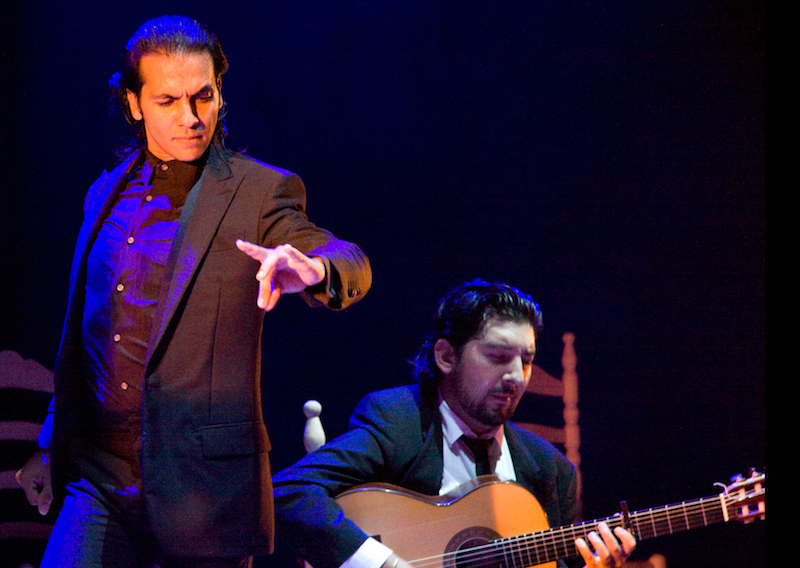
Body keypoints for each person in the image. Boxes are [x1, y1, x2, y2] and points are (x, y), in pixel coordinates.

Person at [14, 15, 371, 568]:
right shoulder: (103, 193)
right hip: (99, 479)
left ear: (219, 92)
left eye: (204, 97)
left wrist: (316, 270)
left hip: (205, 494)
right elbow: (88, 334)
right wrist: (49, 442)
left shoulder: (256, 191)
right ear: (134, 104)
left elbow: (349, 259)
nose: (191, 118)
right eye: (168, 101)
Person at [271, 280, 635, 568]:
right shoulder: (398, 420)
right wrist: (386, 564)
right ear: (446, 356)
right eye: (497, 356)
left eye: (526, 360)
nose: (516, 377)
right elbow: (290, 491)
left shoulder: (551, 470)